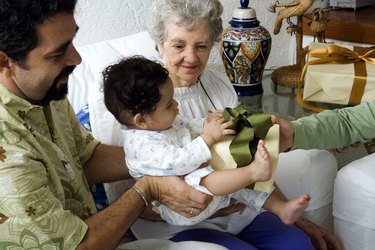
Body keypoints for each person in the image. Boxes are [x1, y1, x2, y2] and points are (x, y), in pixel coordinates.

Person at [0, 1, 222, 249]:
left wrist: (168, 162)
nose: (77, 58)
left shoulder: (45, 92)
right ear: (4, 61)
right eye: (57, 53)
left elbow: (86, 156)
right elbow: (77, 246)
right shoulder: (7, 150)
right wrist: (148, 188)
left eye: (72, 41)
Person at [123, 0, 341, 249]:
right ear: (159, 44)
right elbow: (127, 188)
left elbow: (246, 153)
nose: (191, 57)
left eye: (202, 45)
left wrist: (291, 214)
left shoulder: (220, 86)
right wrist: (205, 205)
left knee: (298, 245)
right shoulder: (134, 98)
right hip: (177, 225)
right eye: (178, 45)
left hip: (239, 212)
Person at [102, 55, 311, 227]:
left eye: (173, 99)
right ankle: (254, 172)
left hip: (206, 191)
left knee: (237, 169)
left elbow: (186, 125)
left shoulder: (159, 123)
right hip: (182, 205)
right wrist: (208, 137)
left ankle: (281, 208)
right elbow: (178, 162)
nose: (176, 105)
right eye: (168, 105)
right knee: (203, 177)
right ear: (141, 120)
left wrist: (207, 123)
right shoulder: (142, 145)